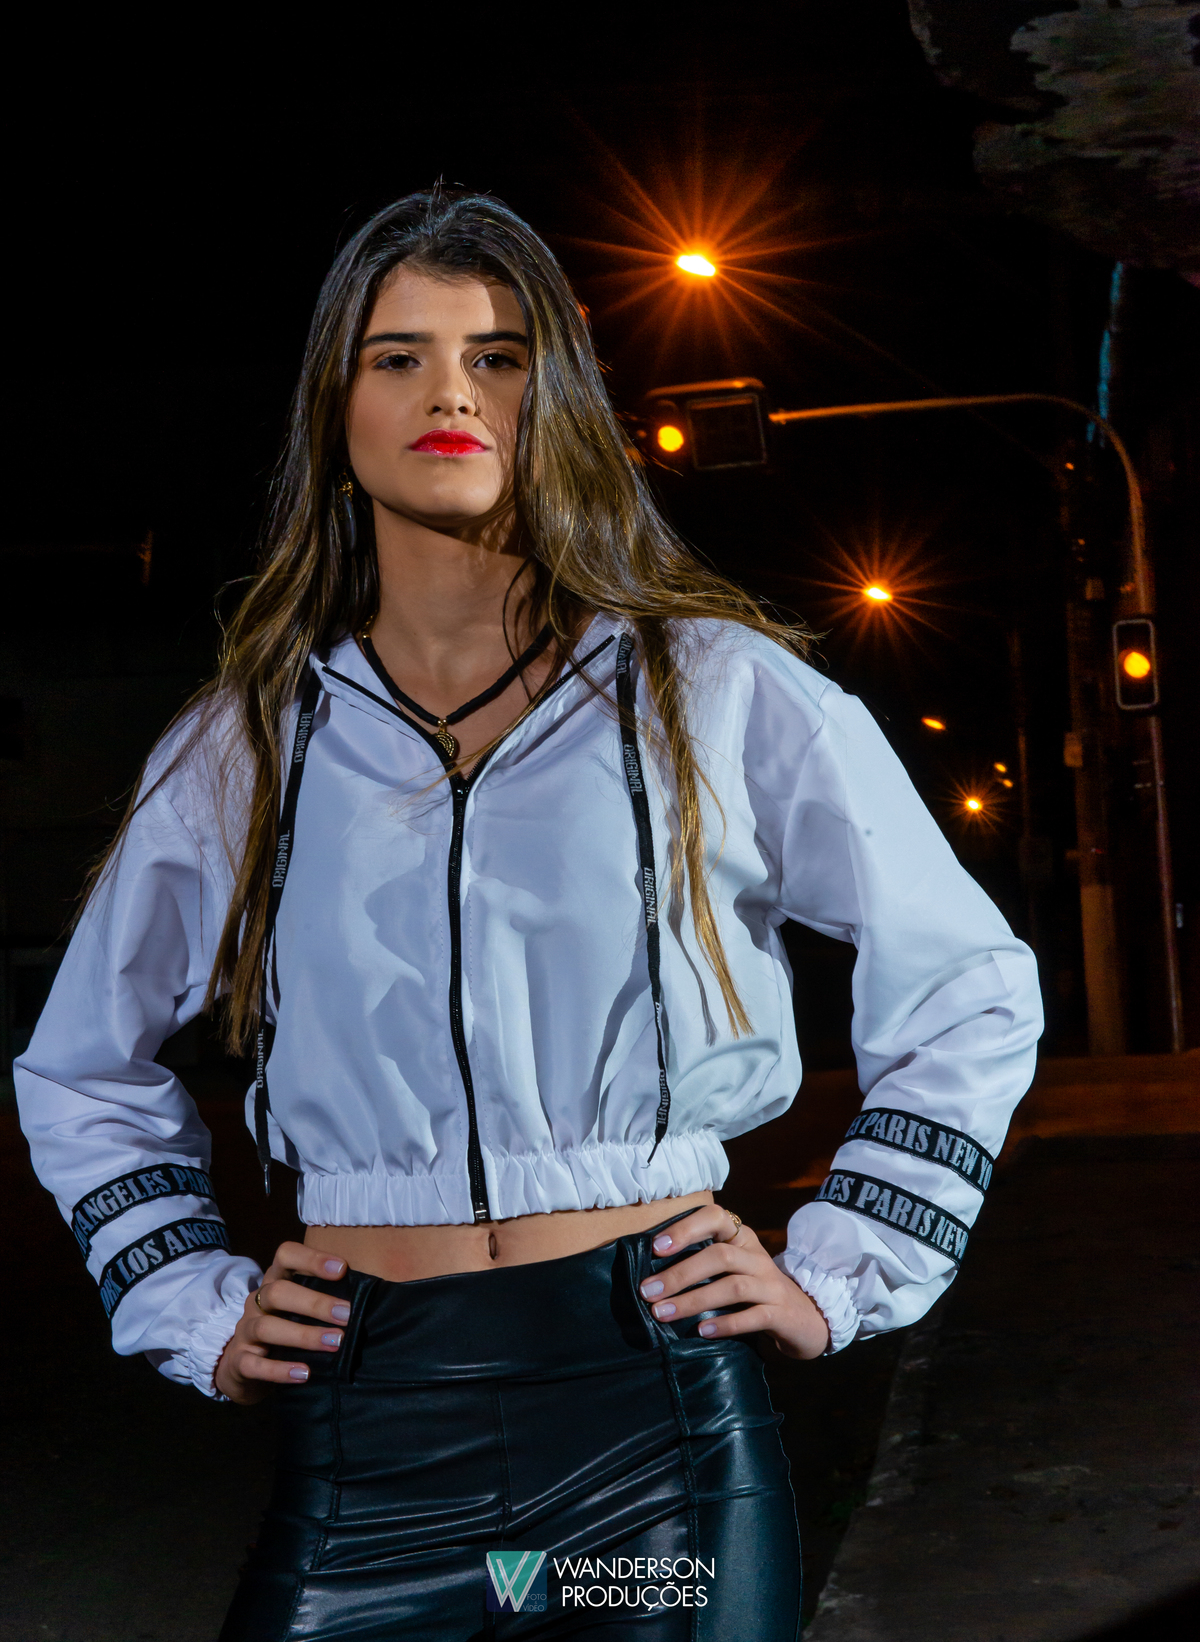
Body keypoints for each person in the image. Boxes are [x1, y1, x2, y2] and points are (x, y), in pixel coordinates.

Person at [15, 188, 1041, 1640]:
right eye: (399, 356)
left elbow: (971, 981)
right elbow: (79, 1065)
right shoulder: (248, 741)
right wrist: (186, 1294)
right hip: (368, 1425)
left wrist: (845, 1265)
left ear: (555, 400)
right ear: (336, 412)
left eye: (497, 355)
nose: (451, 390)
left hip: (656, 1421)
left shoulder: (714, 690)